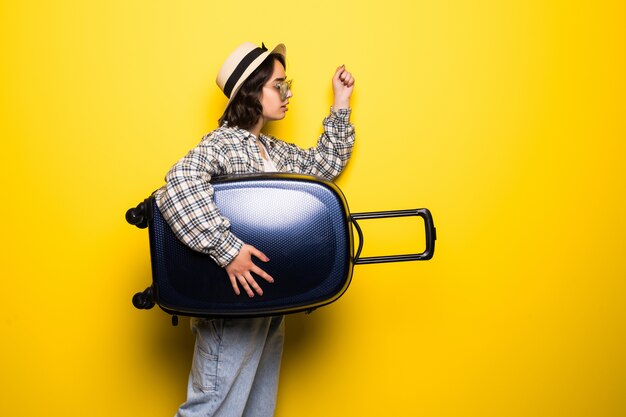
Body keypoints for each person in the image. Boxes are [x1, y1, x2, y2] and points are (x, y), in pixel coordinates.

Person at [155, 42, 355, 417]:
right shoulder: (224, 142)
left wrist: (341, 101)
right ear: (251, 90)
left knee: (255, 411)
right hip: (230, 304)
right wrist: (227, 250)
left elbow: (321, 168)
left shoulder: (271, 150)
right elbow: (178, 185)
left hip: (265, 299)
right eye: (278, 84)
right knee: (211, 409)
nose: (288, 93)